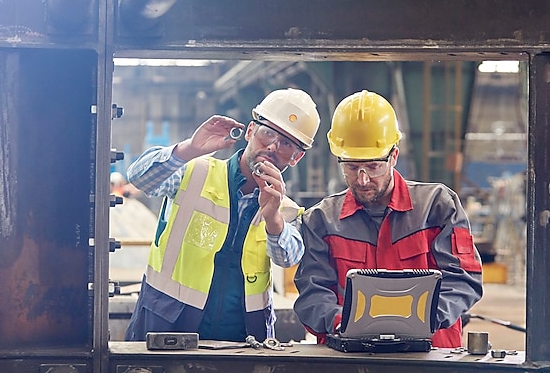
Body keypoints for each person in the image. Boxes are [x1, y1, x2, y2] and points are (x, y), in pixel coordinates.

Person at [124, 89, 321, 342]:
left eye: (286, 143)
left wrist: (273, 219)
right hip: (167, 327)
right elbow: (139, 177)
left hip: (241, 340)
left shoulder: (285, 209)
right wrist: (190, 148)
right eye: (267, 133)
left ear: (297, 157)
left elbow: (288, 257)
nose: (272, 146)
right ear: (250, 131)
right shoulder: (194, 171)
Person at [294, 90, 483, 348]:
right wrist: (342, 321)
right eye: (351, 167)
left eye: (373, 167)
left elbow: (463, 279)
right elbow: (312, 294)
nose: (362, 179)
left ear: (393, 156)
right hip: (351, 361)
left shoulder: (437, 207)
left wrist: (424, 320)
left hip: (430, 360)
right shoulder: (321, 221)